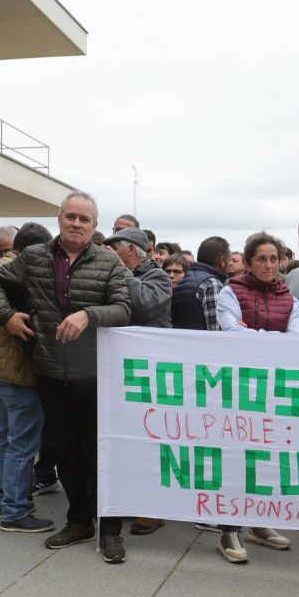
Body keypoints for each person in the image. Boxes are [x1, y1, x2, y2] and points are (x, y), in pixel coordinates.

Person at [0, 191, 133, 563]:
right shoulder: (33, 258)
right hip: (50, 372)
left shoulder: (109, 262)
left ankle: (110, 528)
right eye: (71, 216)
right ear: (60, 219)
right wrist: (8, 317)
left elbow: (123, 308)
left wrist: (88, 315)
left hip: (95, 375)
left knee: (99, 455)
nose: (77, 224)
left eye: (84, 219)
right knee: (66, 455)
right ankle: (80, 520)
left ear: (95, 225)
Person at [212, 231, 297, 563]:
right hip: (238, 387)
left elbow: (297, 340)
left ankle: (258, 523)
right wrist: (268, 337)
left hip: (273, 387)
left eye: (274, 258)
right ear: (247, 263)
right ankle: (228, 529)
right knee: (235, 456)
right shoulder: (231, 292)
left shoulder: (290, 298)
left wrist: (253, 334)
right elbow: (231, 333)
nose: (269, 264)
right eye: (261, 258)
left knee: (265, 457)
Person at [0, 222, 52, 534]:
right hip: (15, 369)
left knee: (5, 438)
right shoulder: (17, 274)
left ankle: (1, 502)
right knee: (22, 443)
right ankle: (15, 511)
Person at [108, 226, 173, 537]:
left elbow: (145, 304)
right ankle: (125, 499)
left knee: (151, 440)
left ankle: (153, 509)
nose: (107, 253)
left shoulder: (156, 276)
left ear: (130, 251)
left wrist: (121, 272)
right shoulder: (119, 273)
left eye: (113, 248)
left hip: (151, 370)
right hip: (121, 368)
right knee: (125, 438)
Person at [169, 236, 228, 331]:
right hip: (202, 344)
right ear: (222, 262)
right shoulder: (212, 283)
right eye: (229, 261)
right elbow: (216, 330)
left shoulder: (185, 279)